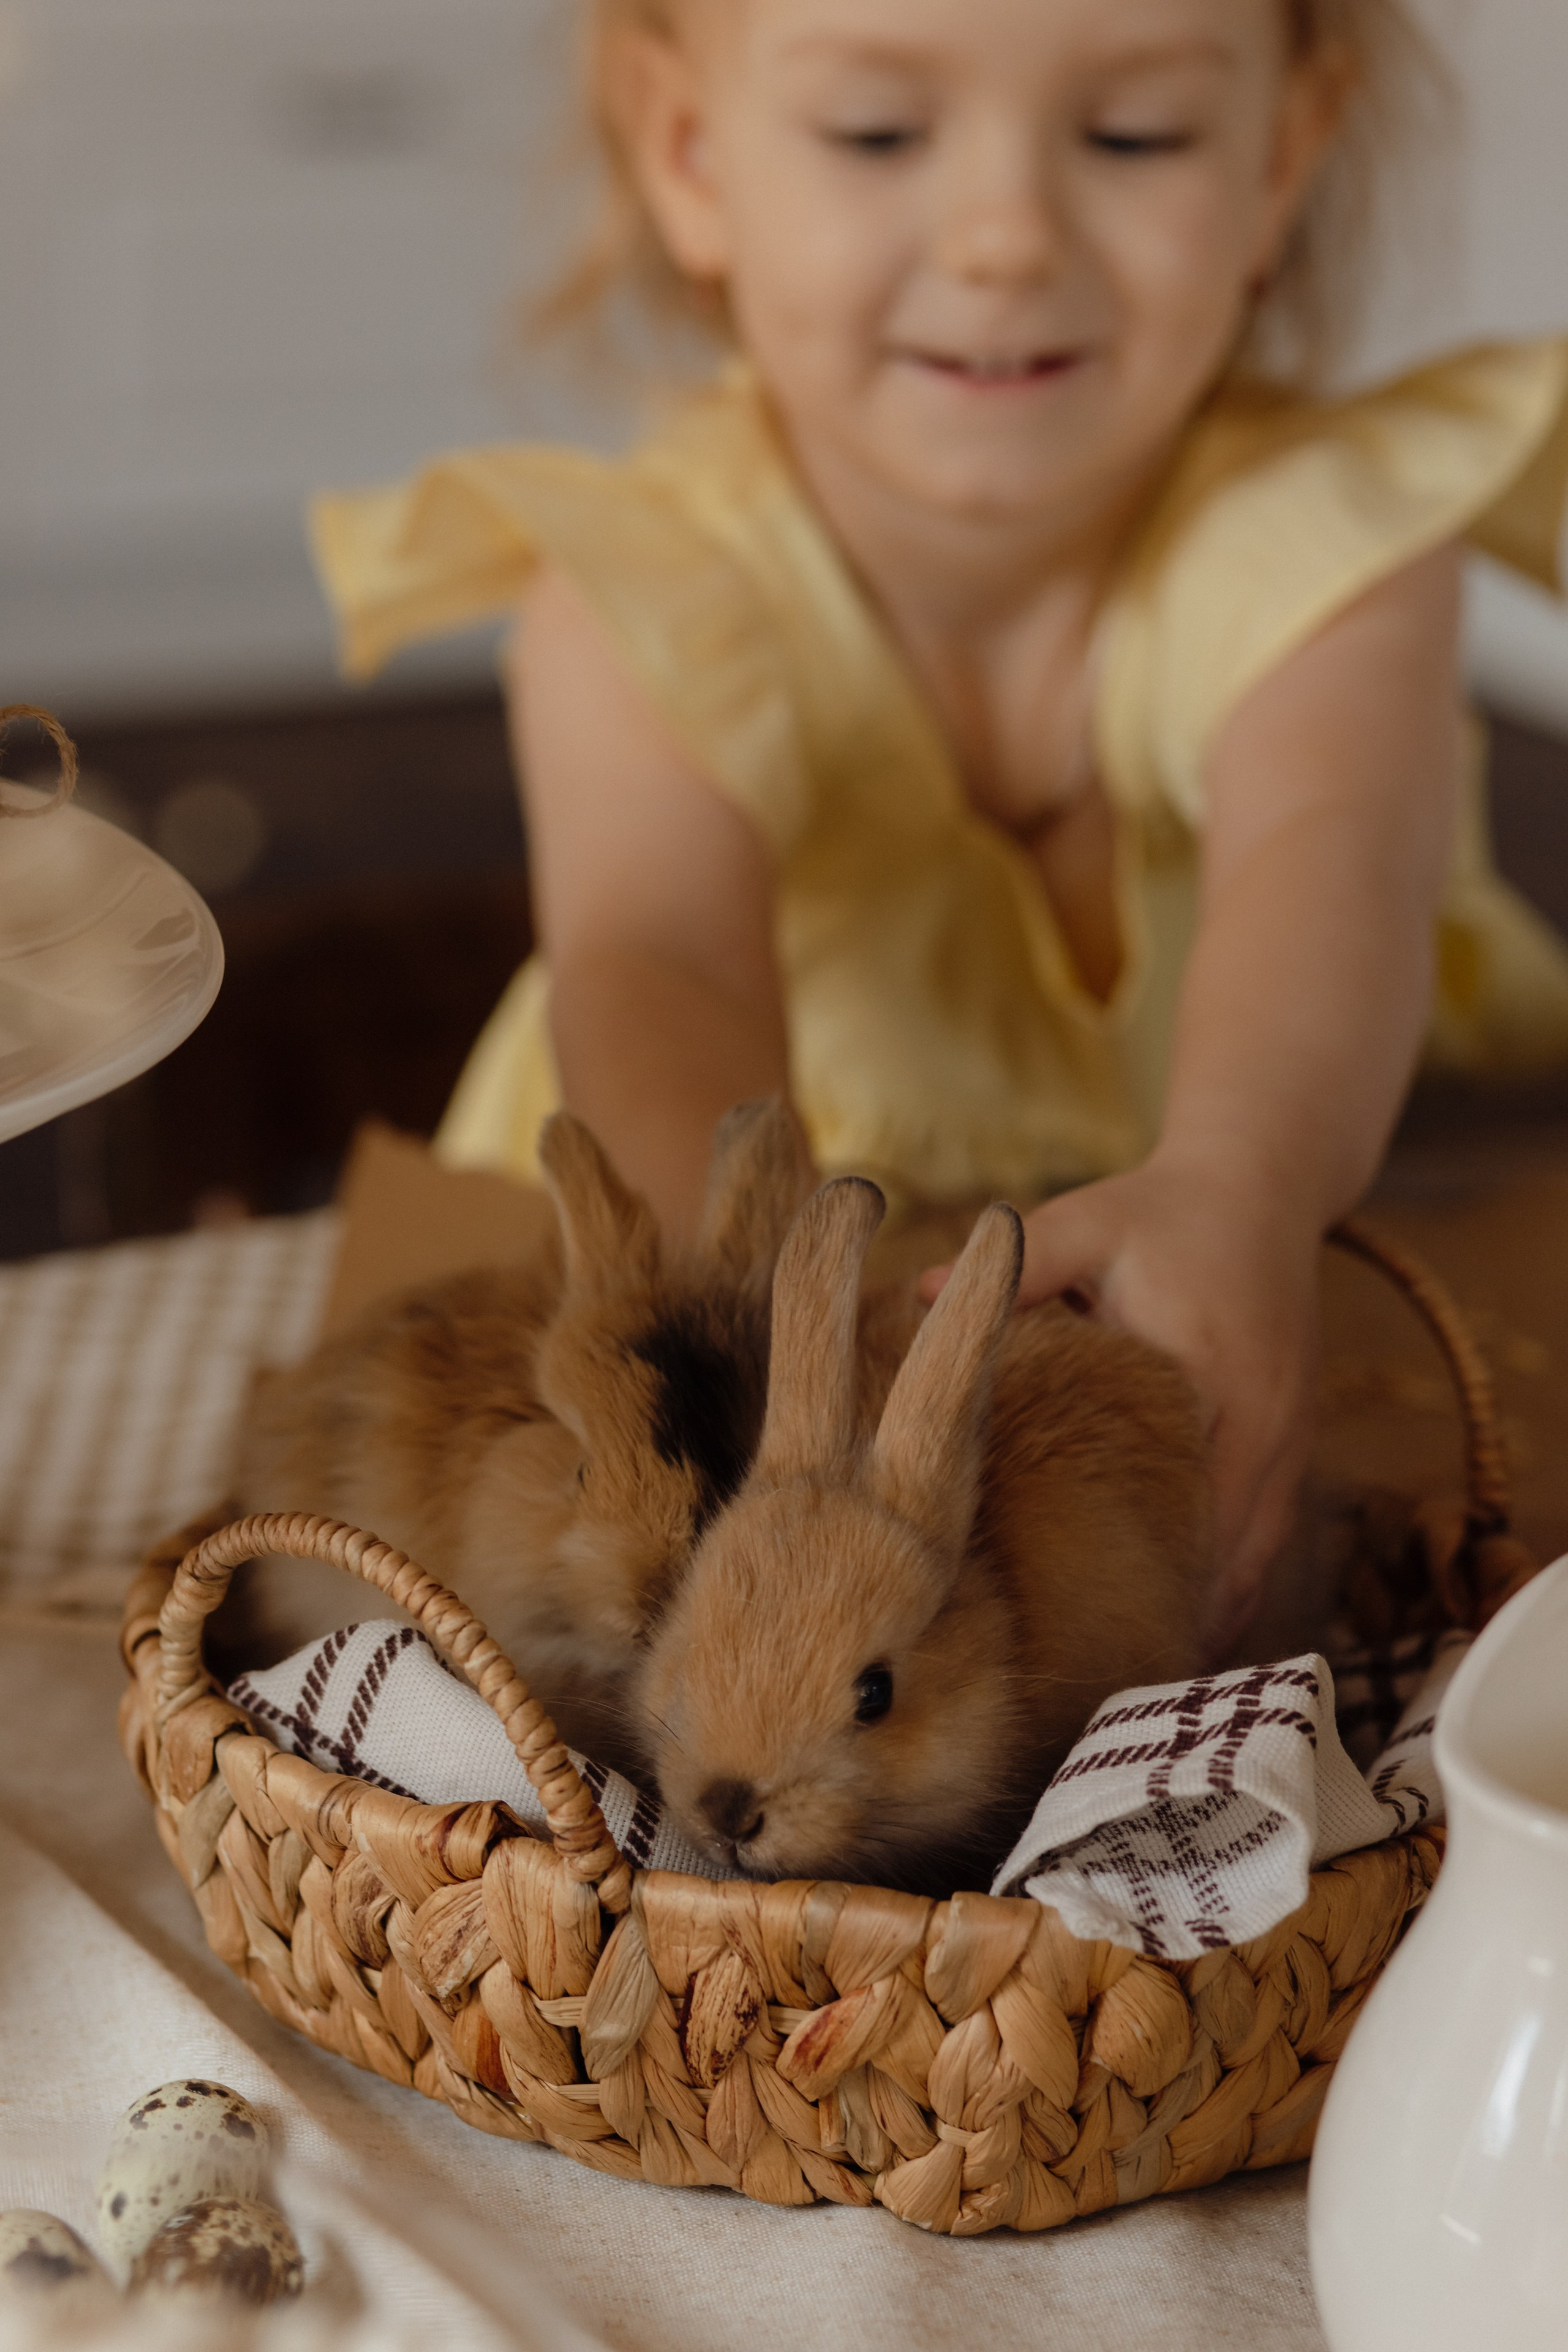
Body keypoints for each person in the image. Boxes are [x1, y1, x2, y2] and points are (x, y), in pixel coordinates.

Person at [312, 0, 1568, 1646]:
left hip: (1285, 1239)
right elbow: (660, 962)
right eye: (880, 135)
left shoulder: (1343, 547)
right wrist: (773, 1350)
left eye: (1134, 137)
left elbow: (1328, 851)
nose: (1005, 239)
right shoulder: (636, 596)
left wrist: (1238, 1190)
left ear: (1281, 156)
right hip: (748, 1263)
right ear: (691, 153)